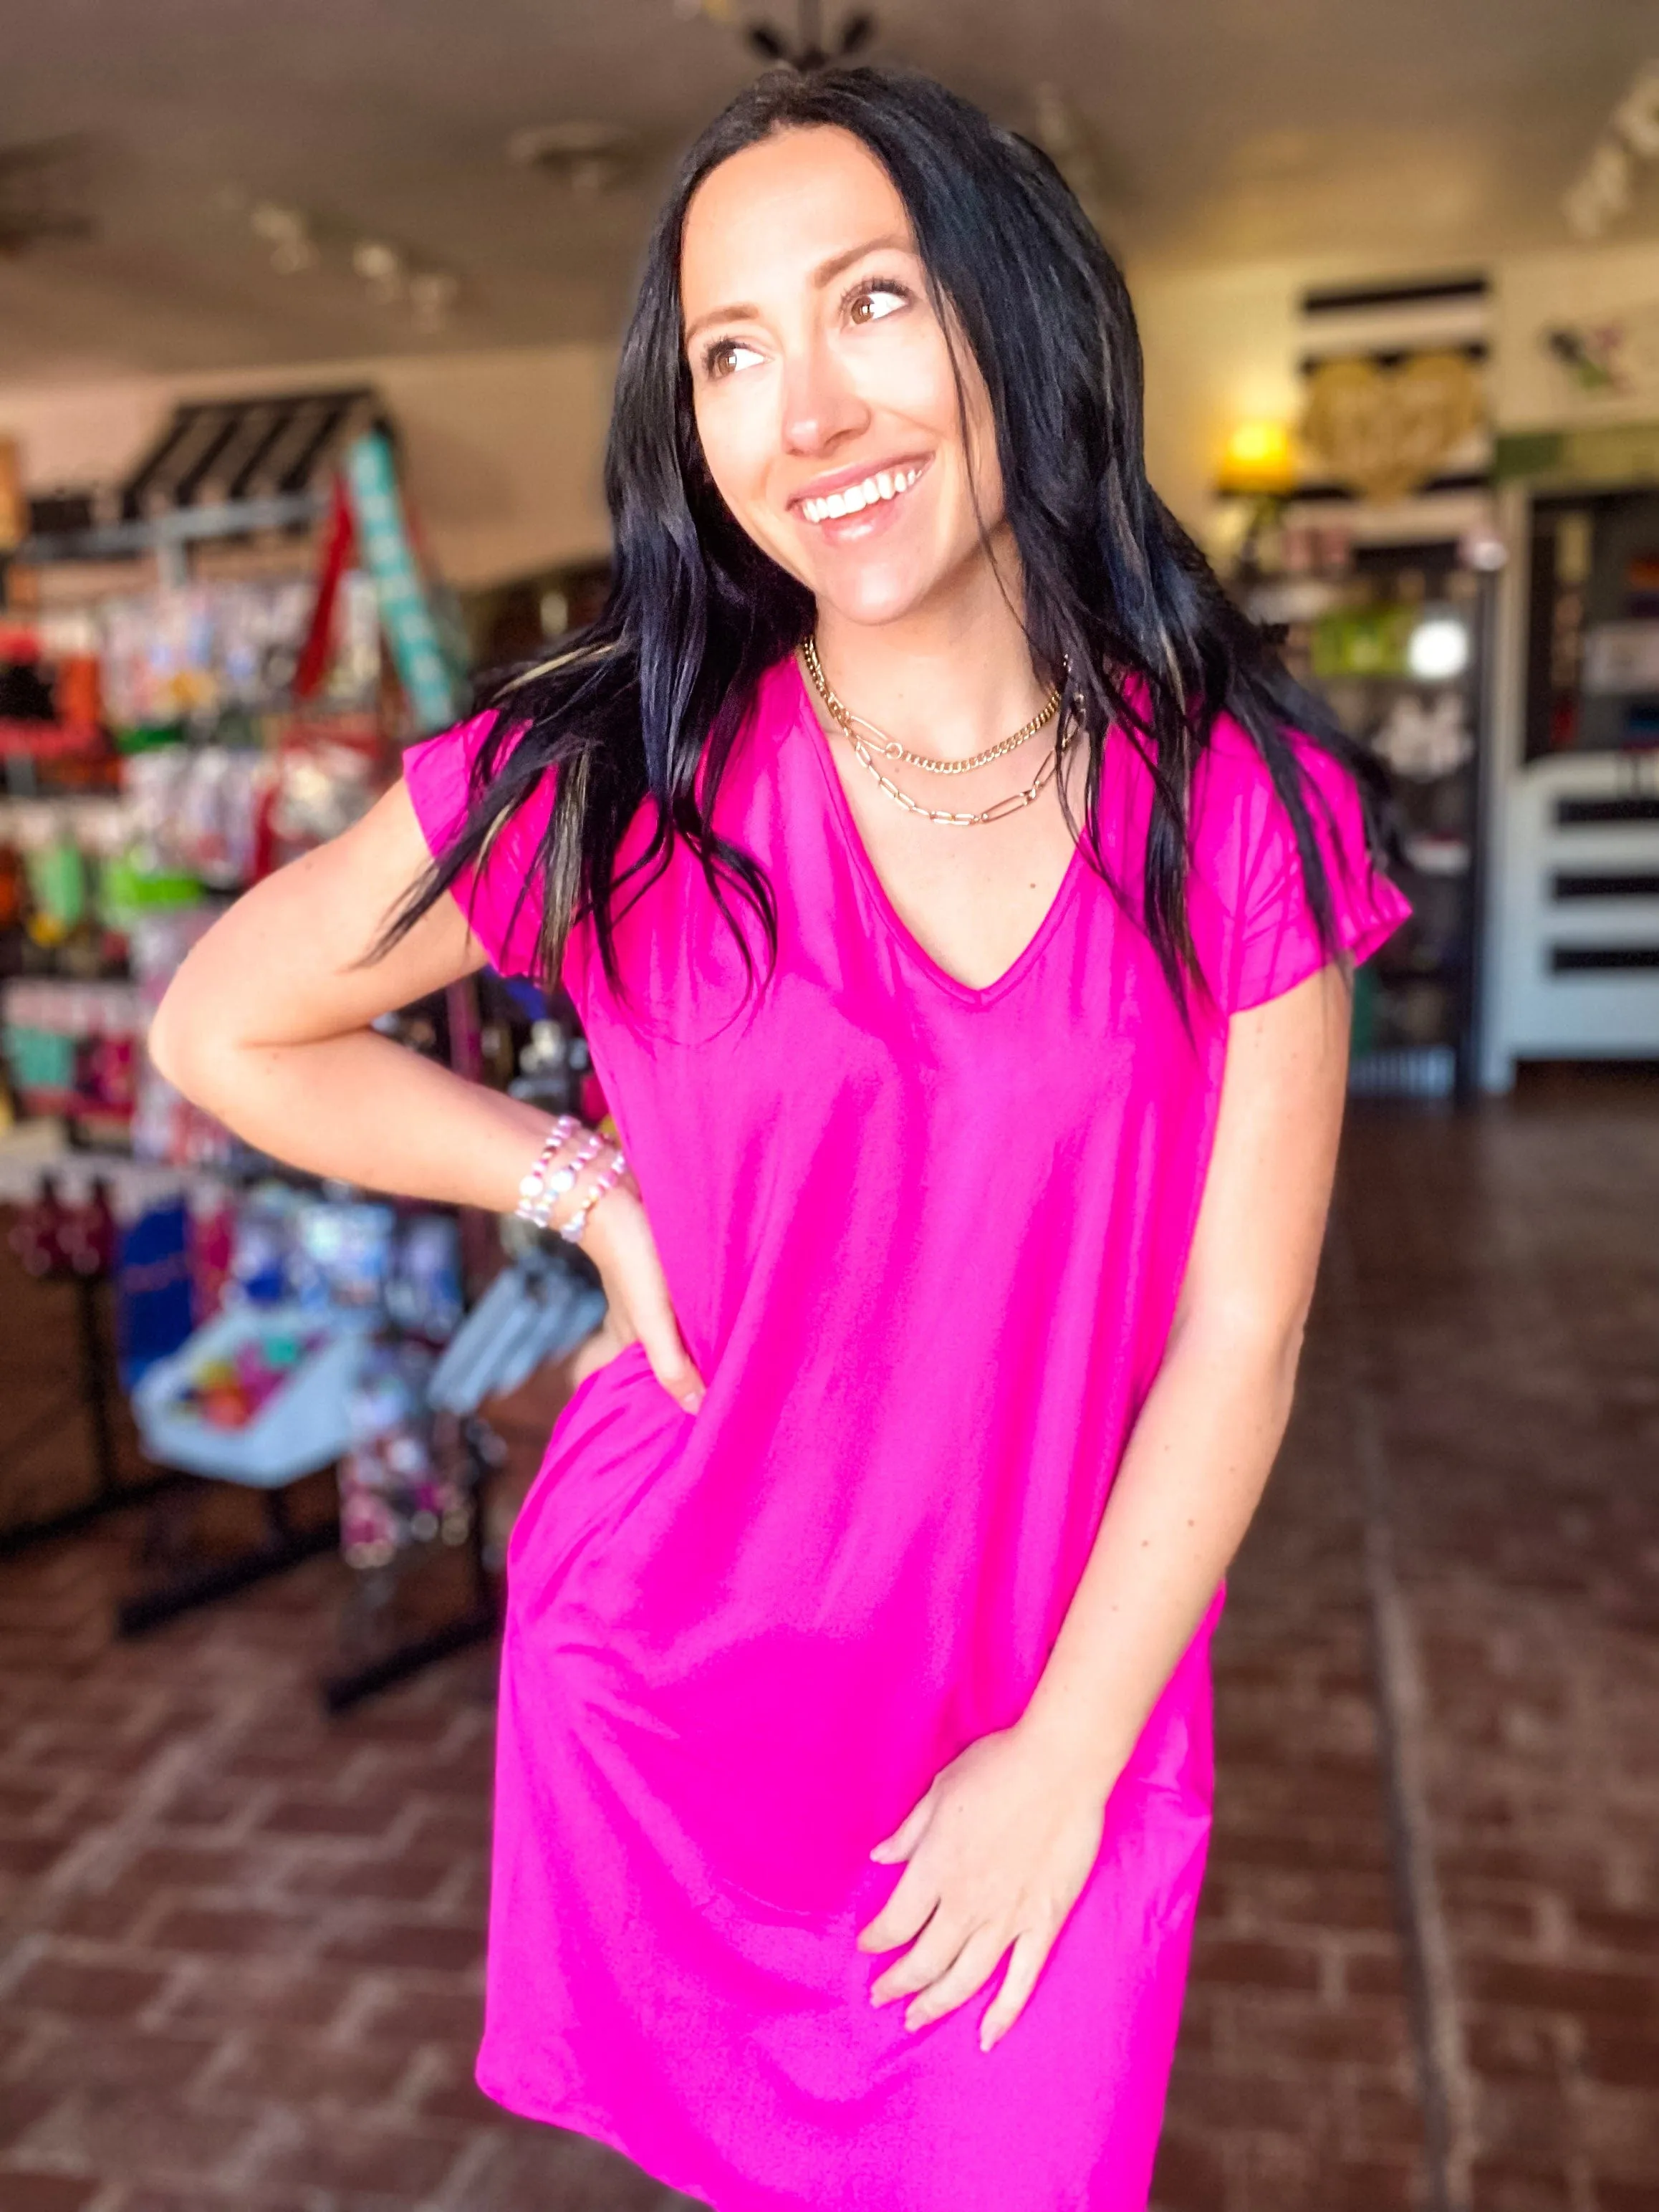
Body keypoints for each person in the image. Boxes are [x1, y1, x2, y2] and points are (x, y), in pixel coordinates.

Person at [150, 62, 1411, 2212]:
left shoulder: (1241, 809)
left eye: (870, 306)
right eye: (732, 352)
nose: (804, 408)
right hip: (687, 1677)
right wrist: (585, 1195)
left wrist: (1061, 1762)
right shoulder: (620, 771)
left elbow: (1237, 1341)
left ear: (1007, 318)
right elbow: (225, 1022)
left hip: (1049, 1706)